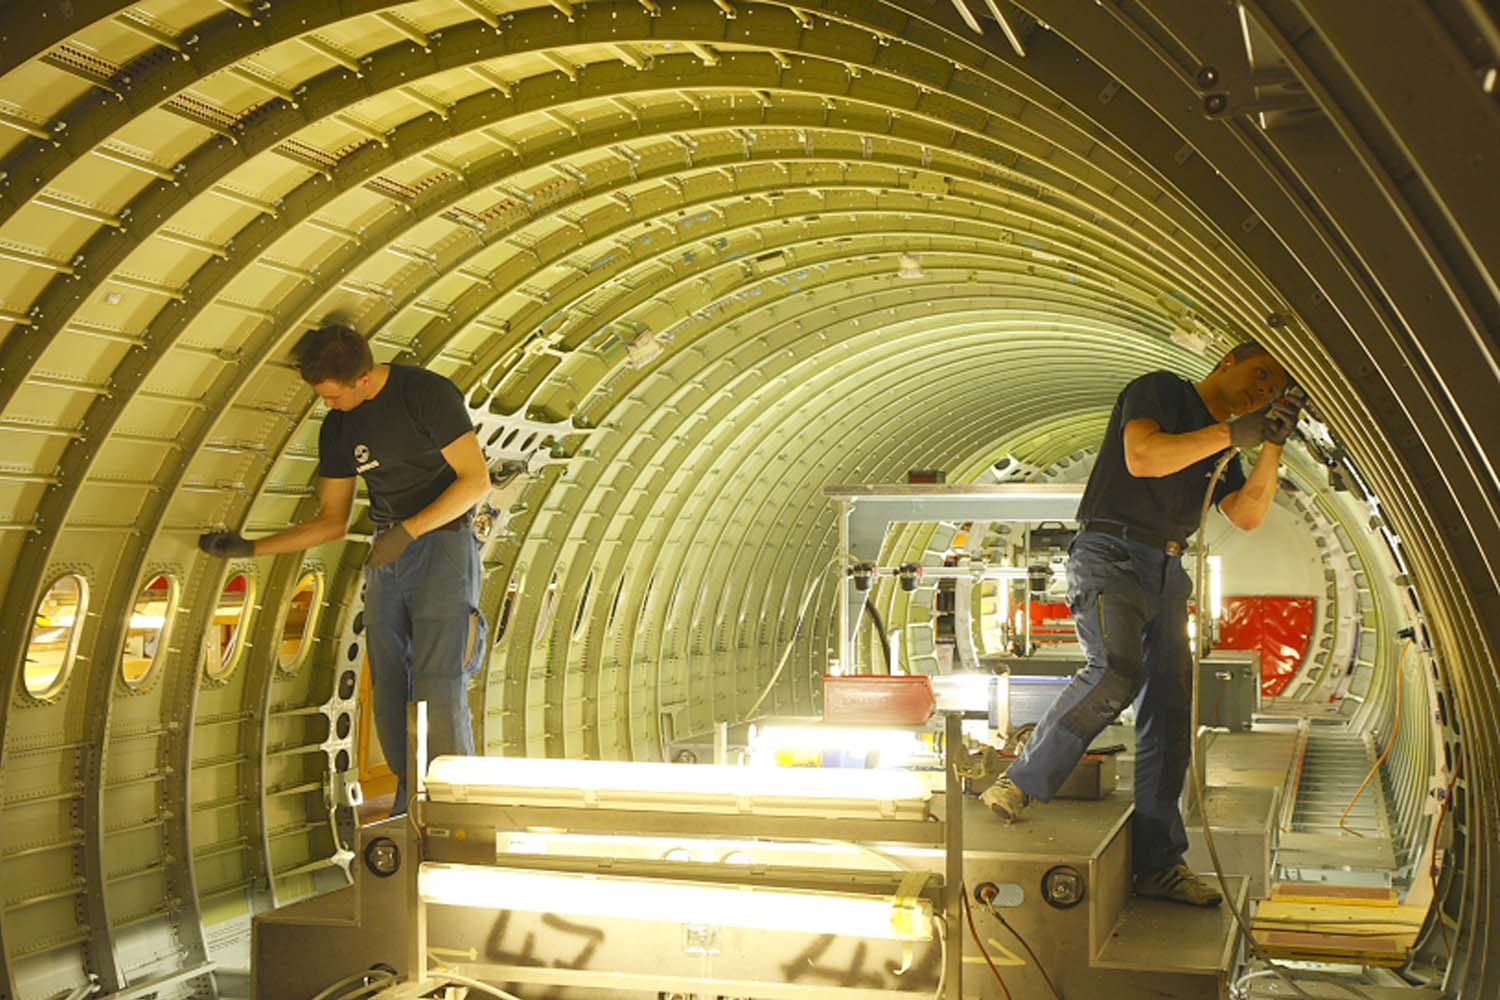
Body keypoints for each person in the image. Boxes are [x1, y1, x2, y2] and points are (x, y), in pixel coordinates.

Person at [983, 341, 1299, 906]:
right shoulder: (1162, 391)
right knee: (1115, 672)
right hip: (1110, 552)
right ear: (1228, 361)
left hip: (1167, 568)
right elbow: (1144, 458)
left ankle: (1158, 864)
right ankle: (1020, 781)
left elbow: (1247, 514)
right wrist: (1233, 434)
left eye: (1273, 388)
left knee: (1170, 714)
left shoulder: (1227, 445)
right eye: (1260, 374)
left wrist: (1271, 445)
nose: (1263, 390)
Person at [199, 323, 491, 815]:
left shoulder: (424, 394)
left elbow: (476, 481)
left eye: (333, 395)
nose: (327, 405)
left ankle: (456, 807)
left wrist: (410, 532)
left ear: (362, 379)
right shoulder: (337, 427)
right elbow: (332, 521)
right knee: (389, 684)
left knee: (440, 682)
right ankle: (410, 799)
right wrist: (250, 549)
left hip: (444, 545)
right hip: (388, 554)